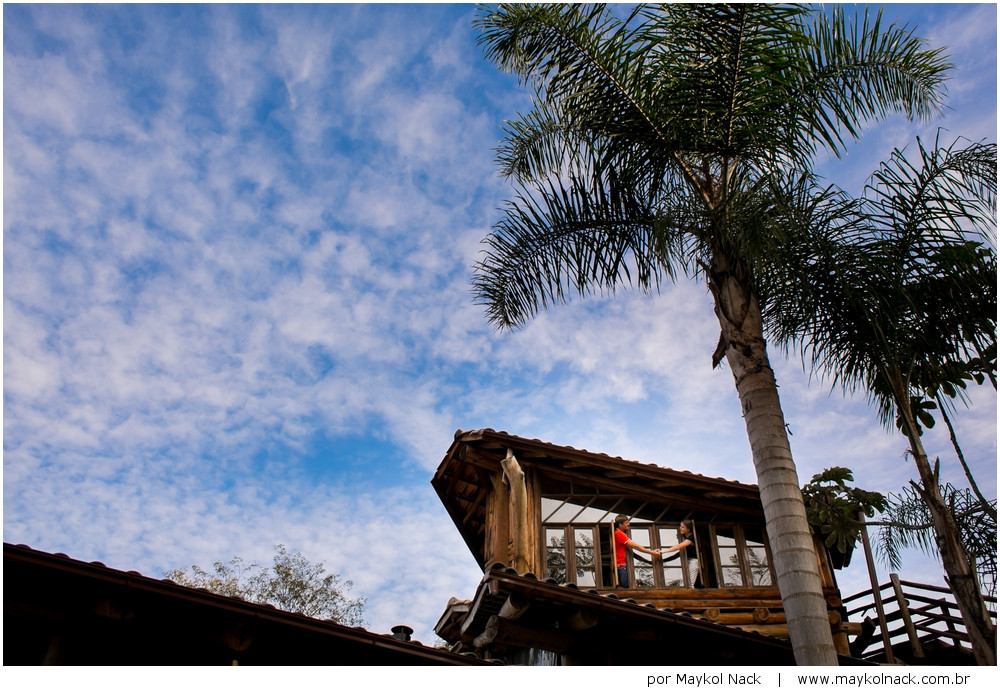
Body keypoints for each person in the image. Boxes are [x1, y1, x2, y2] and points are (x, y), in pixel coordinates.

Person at [613, 515, 661, 588]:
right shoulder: (619, 534)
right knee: (625, 589)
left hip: (621, 565)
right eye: (626, 523)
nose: (628, 524)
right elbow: (636, 546)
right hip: (621, 566)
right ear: (620, 525)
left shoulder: (618, 533)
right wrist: (652, 552)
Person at [662, 519, 699, 587]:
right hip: (685, 561)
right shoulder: (684, 537)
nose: (680, 528)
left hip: (693, 561)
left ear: (688, 529)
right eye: (680, 526)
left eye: (682, 527)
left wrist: (663, 551)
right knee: (683, 582)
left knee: (690, 584)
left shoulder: (692, 538)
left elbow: (678, 546)